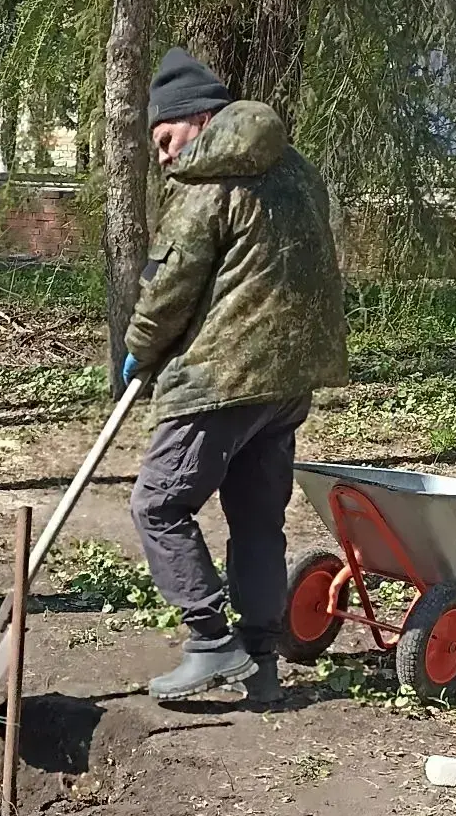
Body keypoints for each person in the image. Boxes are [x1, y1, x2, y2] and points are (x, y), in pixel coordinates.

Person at [123, 46, 348, 702]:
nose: (164, 156)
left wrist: (140, 345)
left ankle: (209, 641)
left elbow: (170, 284)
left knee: (159, 504)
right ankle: (261, 661)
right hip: (288, 379)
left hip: (224, 375)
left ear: (198, 120)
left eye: (166, 139)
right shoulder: (298, 171)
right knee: (257, 520)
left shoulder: (207, 183)